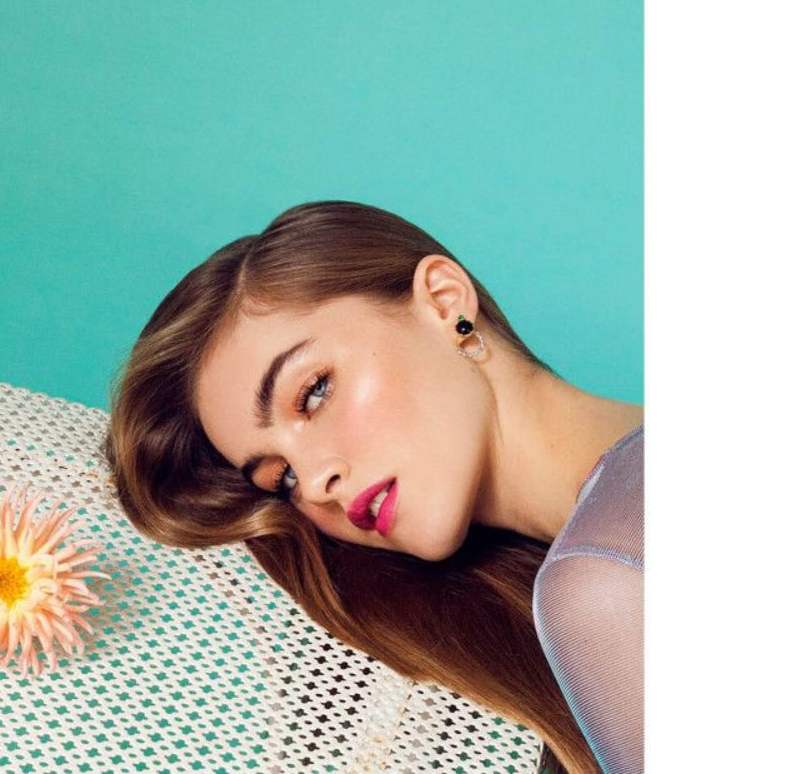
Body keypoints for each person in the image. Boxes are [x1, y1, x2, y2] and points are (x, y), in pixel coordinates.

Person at [105, 201, 643, 774]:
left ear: (445, 303)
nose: (315, 482)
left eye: (314, 393)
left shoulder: (601, 585)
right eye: (282, 478)